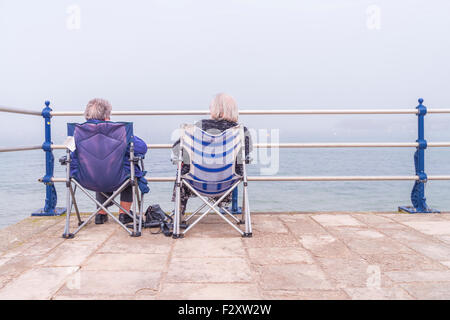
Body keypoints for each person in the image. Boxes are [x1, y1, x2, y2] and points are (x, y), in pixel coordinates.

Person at [172, 93, 252, 218]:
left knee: (182, 169)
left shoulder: (198, 127)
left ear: (214, 109)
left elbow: (177, 149)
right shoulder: (241, 131)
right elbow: (245, 154)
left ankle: (179, 215)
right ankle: (242, 219)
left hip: (195, 181)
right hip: (228, 182)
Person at [70, 98, 148, 225]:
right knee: (127, 171)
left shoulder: (77, 132)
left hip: (87, 179)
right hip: (119, 179)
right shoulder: (119, 131)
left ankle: (100, 214)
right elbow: (142, 148)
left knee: (96, 167)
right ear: (107, 115)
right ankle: (124, 213)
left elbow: (70, 155)